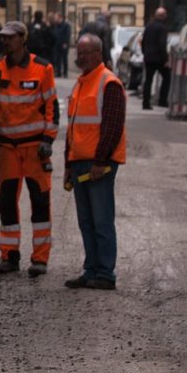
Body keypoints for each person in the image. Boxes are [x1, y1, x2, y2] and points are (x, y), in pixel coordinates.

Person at [0, 21, 59, 277]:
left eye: (11, 38)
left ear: (23, 39)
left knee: (39, 202)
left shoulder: (42, 68)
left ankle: (40, 259)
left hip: (35, 147)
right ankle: (9, 256)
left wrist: (48, 139)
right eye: (3, 37)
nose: (5, 42)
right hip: (8, 148)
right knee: (6, 202)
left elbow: (52, 107)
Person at [64, 34, 126, 290]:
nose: (79, 58)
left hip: (99, 164)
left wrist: (100, 161)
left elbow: (111, 127)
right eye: (78, 53)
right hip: (80, 162)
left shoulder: (108, 82)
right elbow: (73, 128)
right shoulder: (81, 84)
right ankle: (91, 270)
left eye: (84, 53)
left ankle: (105, 273)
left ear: (98, 54)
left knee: (101, 220)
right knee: (86, 221)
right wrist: (68, 164)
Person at [140, 7, 171, 110]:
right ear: (162, 16)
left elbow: (143, 42)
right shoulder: (163, 28)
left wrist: (144, 53)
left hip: (149, 57)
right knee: (167, 77)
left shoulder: (148, 26)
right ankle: (162, 100)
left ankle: (145, 103)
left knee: (148, 80)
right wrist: (166, 59)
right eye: (165, 14)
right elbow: (162, 44)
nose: (167, 16)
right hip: (159, 58)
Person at [52, 12, 72, 78]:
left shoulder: (66, 25)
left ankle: (65, 73)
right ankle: (59, 72)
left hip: (63, 44)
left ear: (60, 17)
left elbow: (67, 35)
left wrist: (66, 43)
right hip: (57, 44)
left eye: (56, 17)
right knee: (58, 59)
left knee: (64, 59)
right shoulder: (56, 25)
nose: (55, 19)